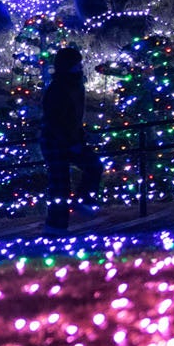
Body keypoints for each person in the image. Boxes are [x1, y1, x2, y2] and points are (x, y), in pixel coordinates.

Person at [40, 46, 104, 231]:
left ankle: (82, 200)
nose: (80, 66)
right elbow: (54, 120)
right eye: (76, 63)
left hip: (70, 138)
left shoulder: (75, 85)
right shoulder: (58, 88)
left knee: (94, 166)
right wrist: (70, 142)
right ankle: (56, 227)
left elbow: (73, 117)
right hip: (54, 139)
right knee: (60, 185)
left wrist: (80, 136)